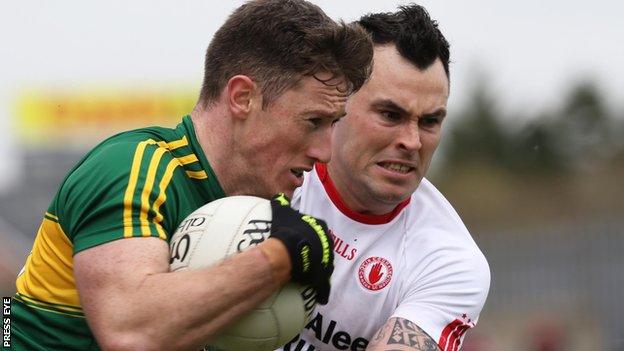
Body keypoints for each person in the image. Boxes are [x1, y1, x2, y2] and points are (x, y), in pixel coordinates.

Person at [10, 1, 373, 350]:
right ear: (243, 97)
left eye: (333, 125)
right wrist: (277, 259)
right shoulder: (133, 167)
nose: (324, 151)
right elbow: (131, 333)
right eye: (313, 122)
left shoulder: (265, 209)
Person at [278, 5, 490, 351]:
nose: (412, 141)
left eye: (430, 121)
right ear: (339, 104)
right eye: (390, 115)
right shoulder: (267, 178)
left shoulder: (451, 261)